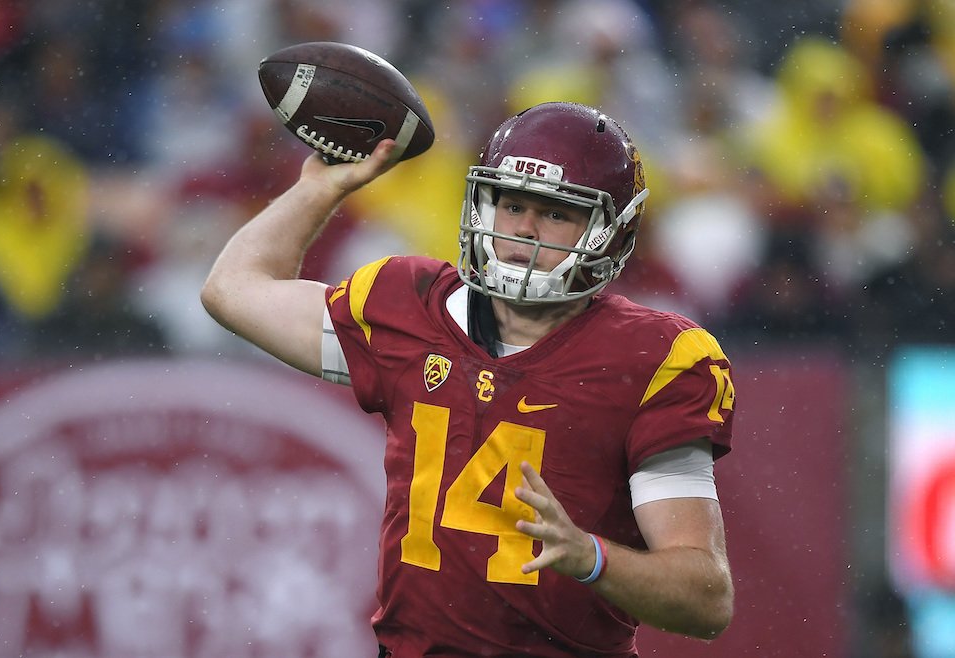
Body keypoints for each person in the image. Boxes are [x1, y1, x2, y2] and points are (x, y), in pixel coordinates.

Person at [201, 101, 736, 657]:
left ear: (610, 232)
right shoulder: (410, 307)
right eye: (512, 204)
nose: (523, 230)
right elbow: (232, 291)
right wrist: (318, 190)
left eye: (556, 212)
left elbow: (705, 600)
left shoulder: (654, 360)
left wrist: (591, 557)